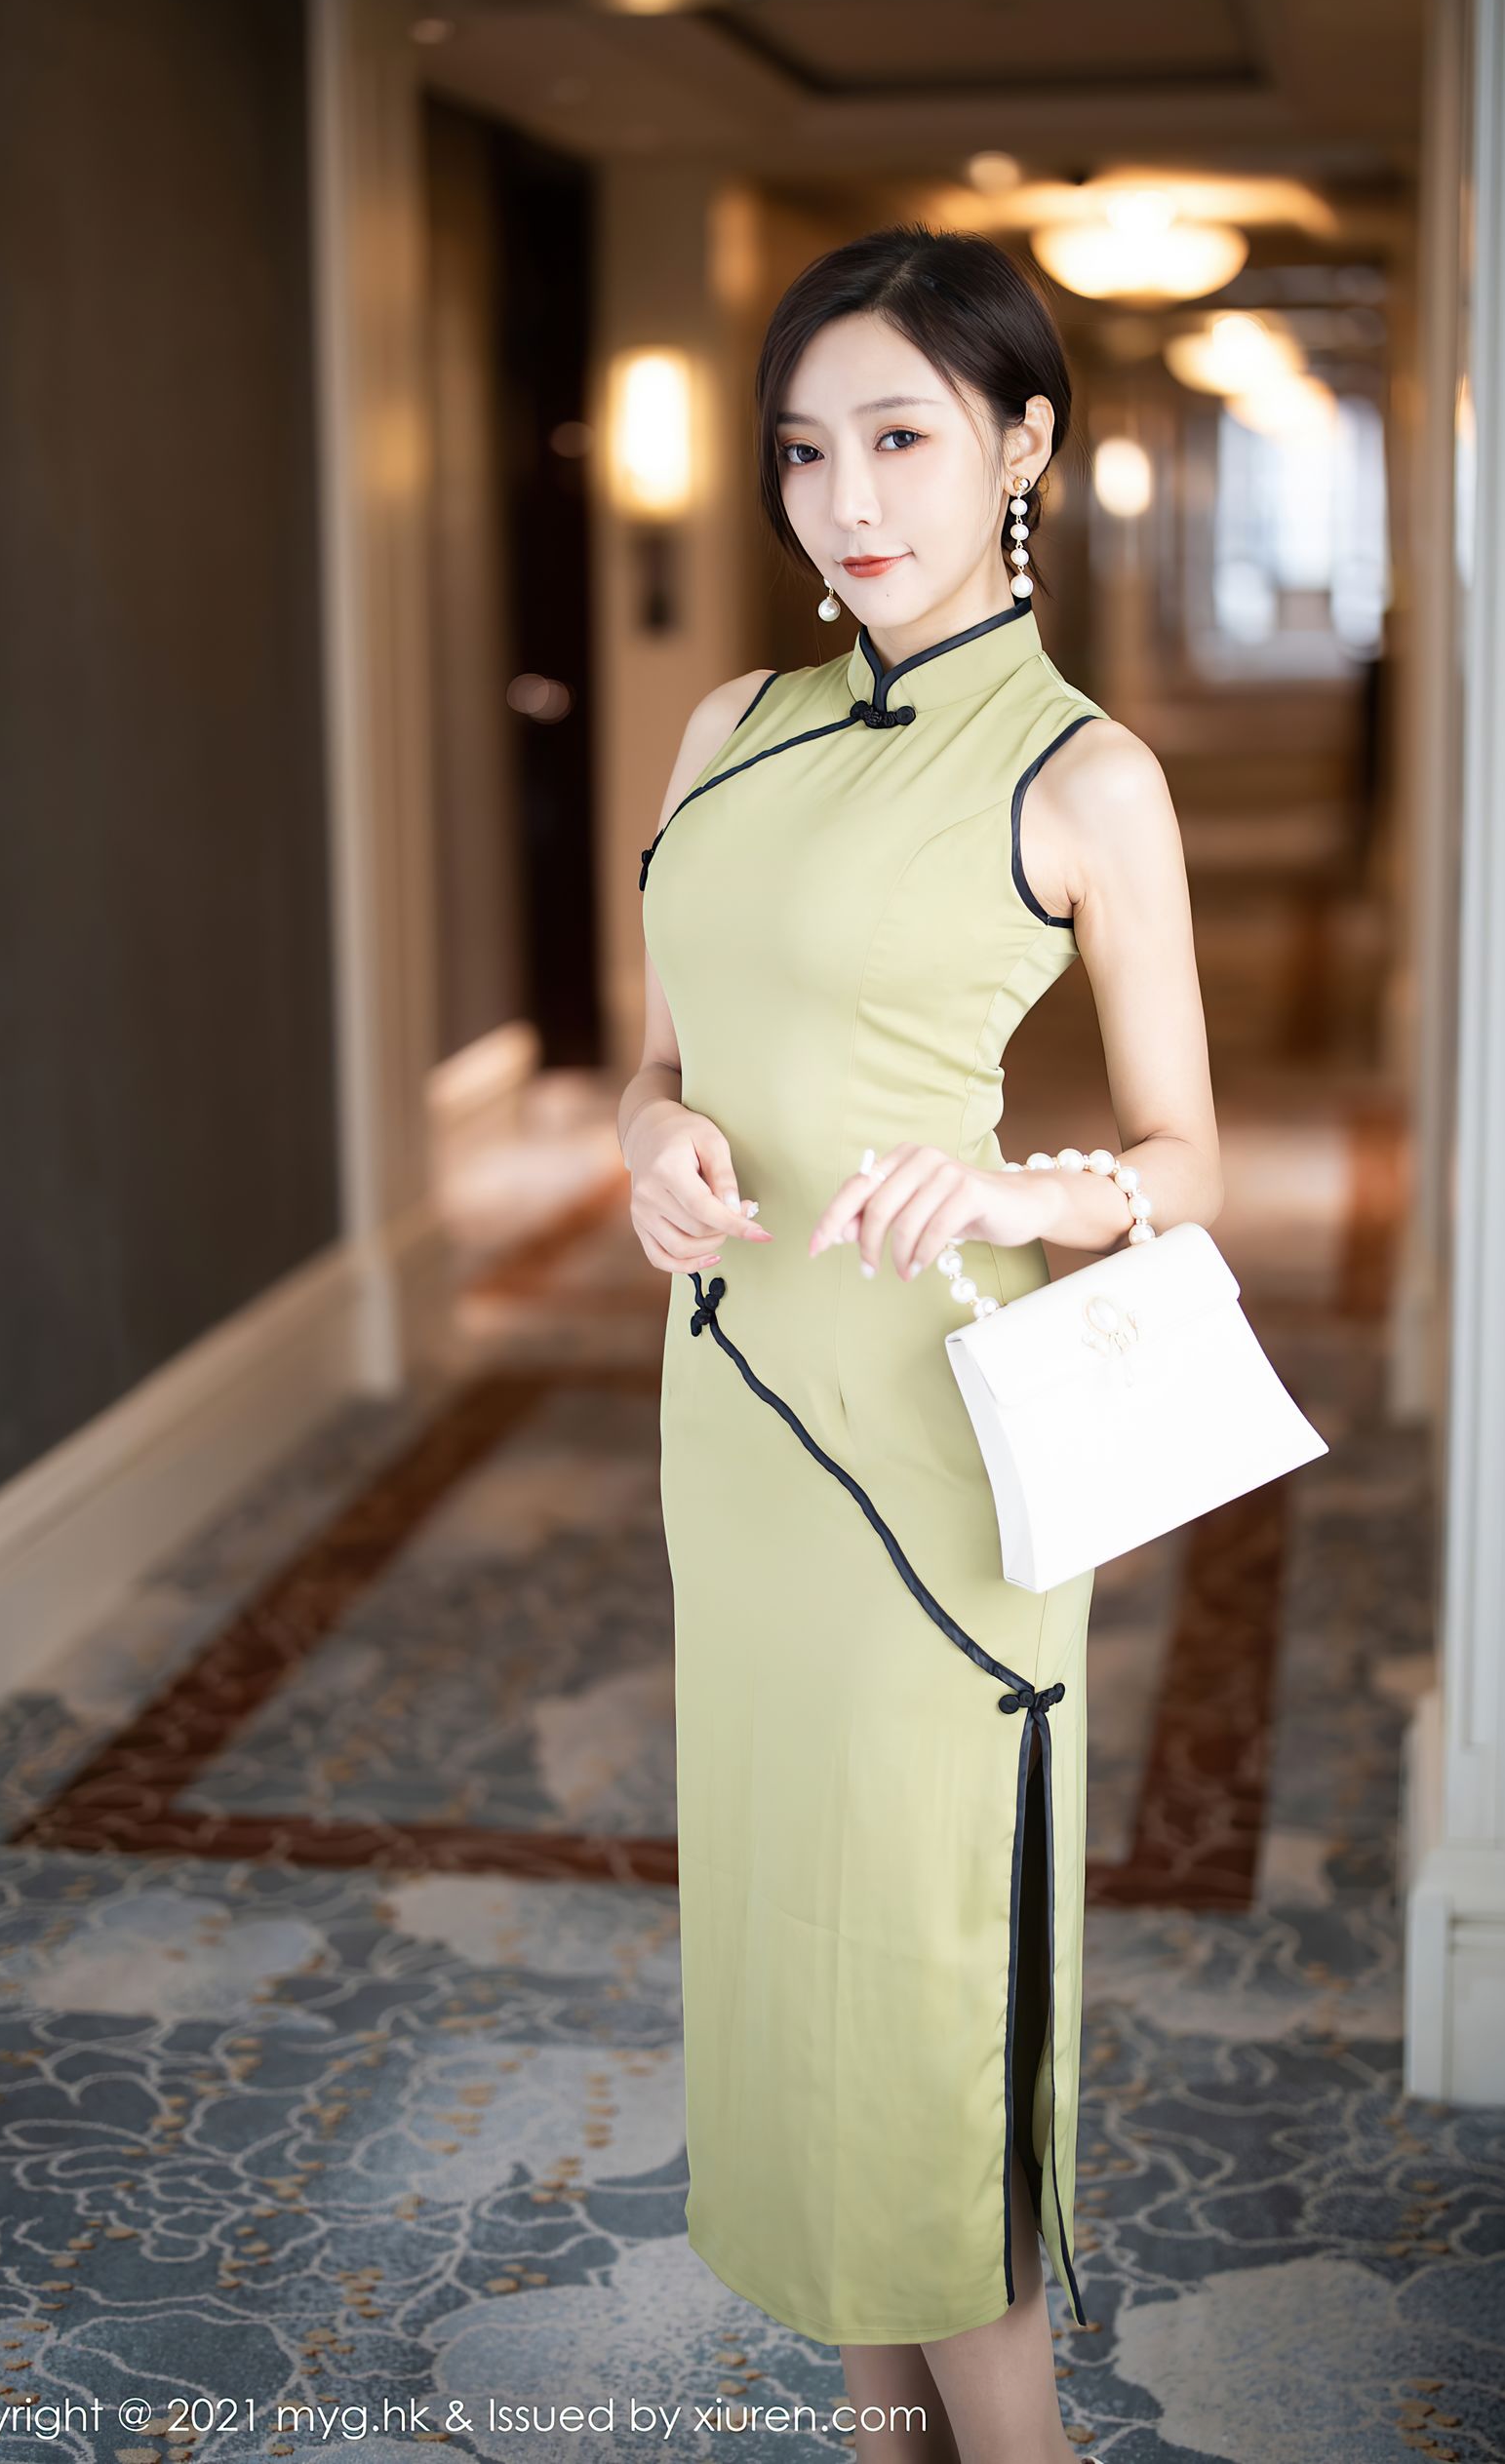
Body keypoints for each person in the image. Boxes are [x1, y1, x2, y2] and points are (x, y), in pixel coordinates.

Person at [616, 225, 1222, 2464]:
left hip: (936, 1449)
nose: (847, 500)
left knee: (925, 1989)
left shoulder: (1082, 774)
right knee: (801, 1966)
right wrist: (648, 1136)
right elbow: (663, 1056)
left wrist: (1011, 1193)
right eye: (805, 451)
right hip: (735, 1411)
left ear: (1022, 446)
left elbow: (1193, 1159)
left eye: (902, 437)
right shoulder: (729, 726)